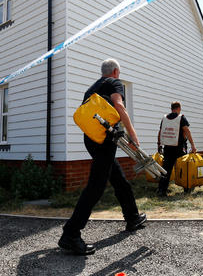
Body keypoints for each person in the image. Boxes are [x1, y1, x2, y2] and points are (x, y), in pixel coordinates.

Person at [59, 59, 147, 256]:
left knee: (117, 177)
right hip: (105, 140)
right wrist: (133, 136)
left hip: (91, 139)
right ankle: (70, 234)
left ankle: (132, 216)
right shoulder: (114, 83)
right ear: (115, 72)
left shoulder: (92, 89)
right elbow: (119, 106)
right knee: (96, 186)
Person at [156, 101, 197, 196]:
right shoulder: (181, 117)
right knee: (184, 168)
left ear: (171, 108)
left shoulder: (164, 118)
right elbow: (186, 130)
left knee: (166, 170)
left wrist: (159, 144)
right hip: (179, 148)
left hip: (167, 148)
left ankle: (162, 191)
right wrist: (193, 145)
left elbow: (160, 132)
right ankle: (187, 189)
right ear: (179, 108)